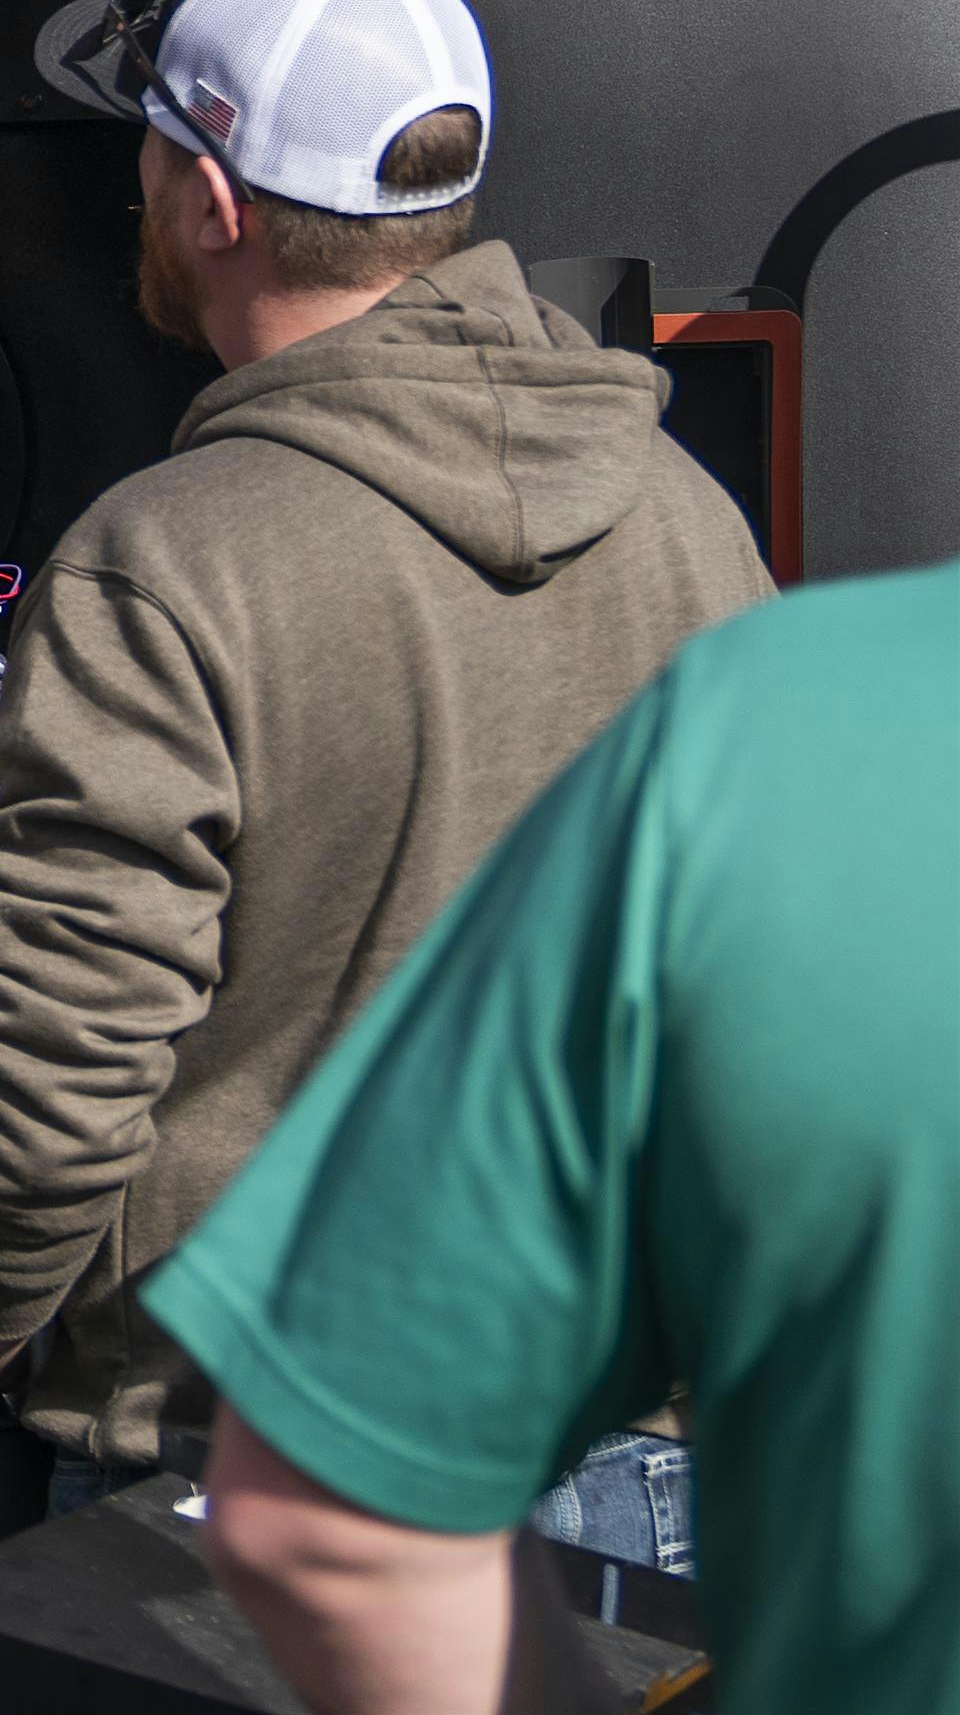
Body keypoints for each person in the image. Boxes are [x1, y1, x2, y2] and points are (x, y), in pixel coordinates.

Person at [0, 0, 767, 1540]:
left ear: (214, 201)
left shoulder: (171, 554)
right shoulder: (689, 519)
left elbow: (63, 1052)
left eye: (151, 162)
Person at [148, 562, 960, 1715]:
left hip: (360, 1377)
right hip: (644, 1442)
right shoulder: (694, 521)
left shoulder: (784, 716)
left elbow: (330, 1529)